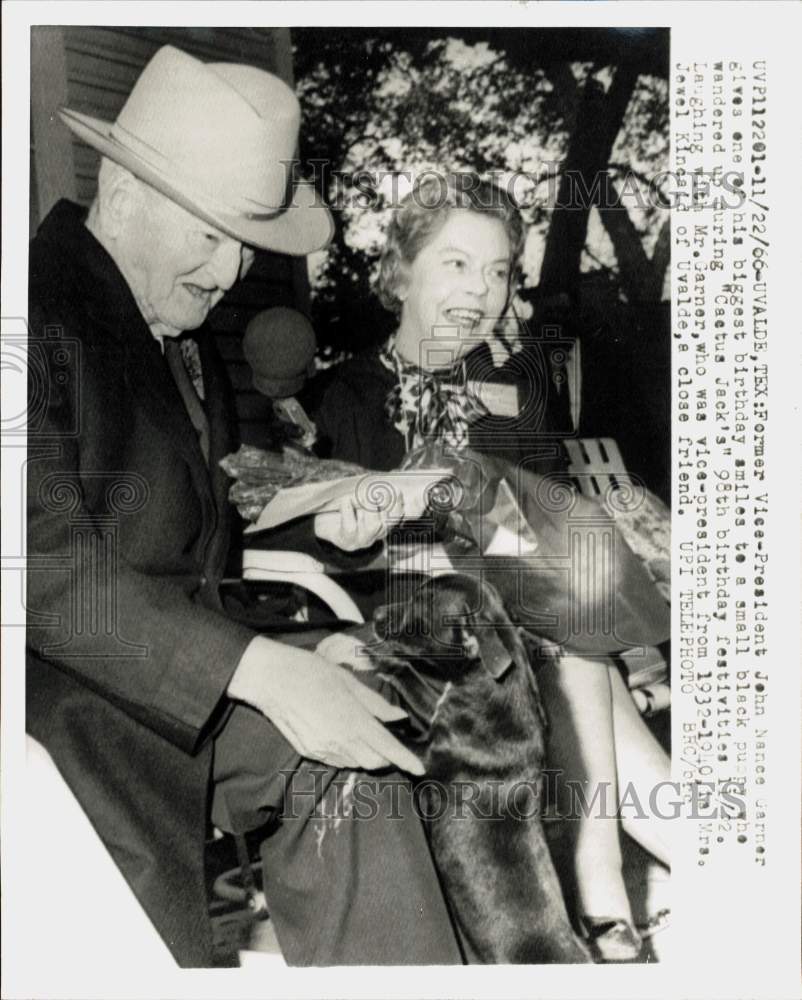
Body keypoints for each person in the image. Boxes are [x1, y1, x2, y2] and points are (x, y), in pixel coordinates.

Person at [25, 45, 462, 968]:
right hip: (61, 711)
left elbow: (198, 523)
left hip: (169, 684)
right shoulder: (26, 310)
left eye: (242, 244)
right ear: (122, 192)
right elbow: (39, 567)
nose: (229, 274)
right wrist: (263, 669)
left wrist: (302, 630)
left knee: (362, 744)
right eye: (209, 235)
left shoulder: (168, 323)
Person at [311, 173, 671, 962]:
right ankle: (611, 888)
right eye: (456, 264)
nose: (482, 291)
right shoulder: (347, 393)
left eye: (500, 270)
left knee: (567, 624)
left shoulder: (515, 387)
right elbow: (347, 554)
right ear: (400, 271)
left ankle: (641, 876)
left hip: (531, 617)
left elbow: (554, 523)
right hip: (414, 624)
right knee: (567, 634)